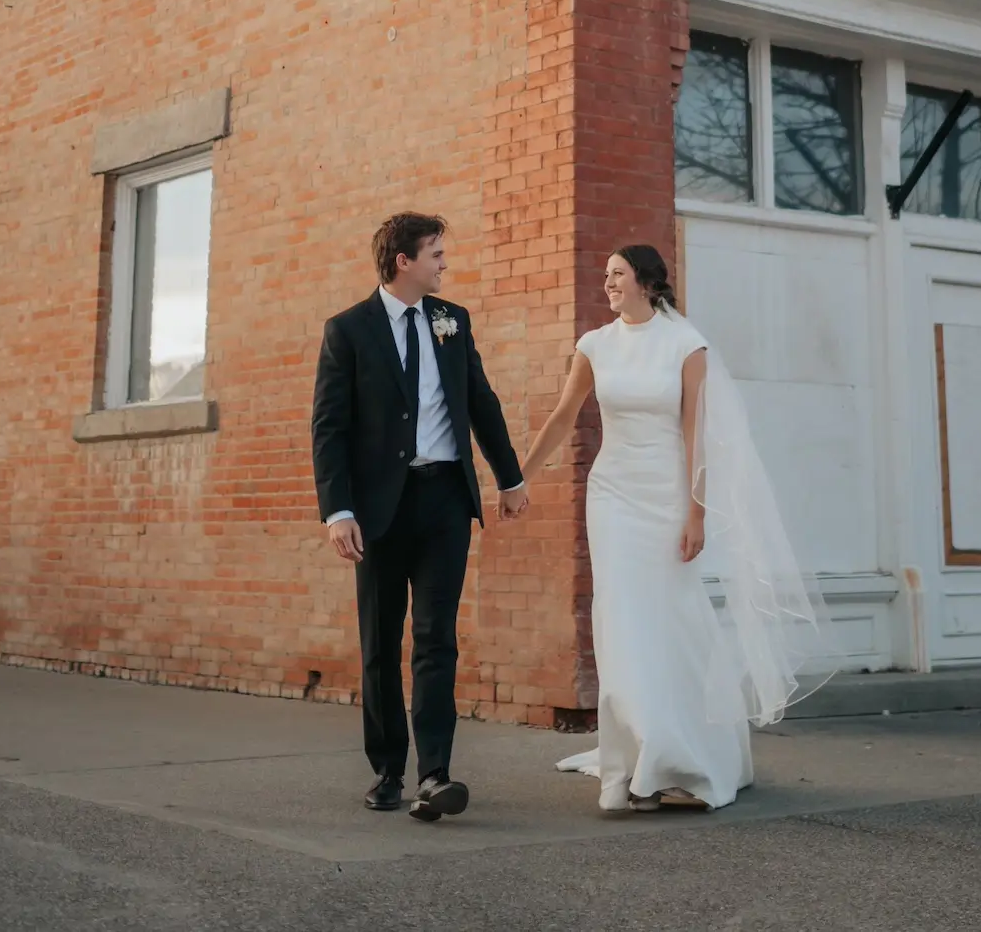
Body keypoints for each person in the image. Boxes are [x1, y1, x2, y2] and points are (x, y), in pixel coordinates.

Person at [521, 244, 832, 813]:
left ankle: (681, 756)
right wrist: (520, 478)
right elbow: (565, 414)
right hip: (612, 496)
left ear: (645, 281)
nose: (607, 282)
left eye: (617, 274)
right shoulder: (594, 345)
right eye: (607, 274)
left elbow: (697, 434)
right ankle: (638, 758)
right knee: (620, 623)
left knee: (672, 621)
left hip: (666, 498)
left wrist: (697, 511)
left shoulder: (686, 346)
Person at [311, 211, 527, 822]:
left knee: (436, 639)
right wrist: (338, 510)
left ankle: (435, 774)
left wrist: (509, 477)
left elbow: (480, 402)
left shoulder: (451, 321)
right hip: (378, 510)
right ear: (403, 260)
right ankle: (387, 770)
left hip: (445, 503)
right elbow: (329, 429)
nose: (443, 264)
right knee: (381, 642)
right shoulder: (348, 331)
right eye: (435, 253)